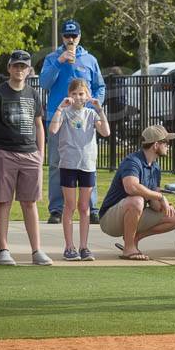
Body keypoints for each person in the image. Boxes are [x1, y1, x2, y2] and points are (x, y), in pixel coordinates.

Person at [39, 20, 105, 225]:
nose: (70, 40)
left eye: (74, 36)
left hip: (83, 119)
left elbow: (99, 86)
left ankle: (91, 207)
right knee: (57, 163)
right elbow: (43, 83)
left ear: (79, 37)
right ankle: (57, 209)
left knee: (87, 160)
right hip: (58, 117)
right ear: (61, 37)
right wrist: (59, 61)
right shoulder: (52, 58)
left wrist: (94, 107)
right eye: (67, 36)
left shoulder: (90, 60)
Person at [0, 51, 52, 266]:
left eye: (23, 67)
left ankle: (36, 250)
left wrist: (40, 153)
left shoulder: (33, 94)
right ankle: (3, 249)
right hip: (4, 153)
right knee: (3, 202)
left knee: (30, 202)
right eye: (16, 66)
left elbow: (39, 125)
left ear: (29, 70)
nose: (19, 70)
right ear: (9, 68)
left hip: (30, 154)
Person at [48, 78, 110, 262]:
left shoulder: (91, 114)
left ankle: (84, 246)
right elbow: (53, 130)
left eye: (81, 93)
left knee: (85, 207)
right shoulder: (65, 112)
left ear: (87, 95)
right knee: (70, 206)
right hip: (68, 164)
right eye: (74, 93)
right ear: (69, 95)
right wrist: (60, 107)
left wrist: (99, 109)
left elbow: (105, 132)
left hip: (87, 165)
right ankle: (69, 246)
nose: (77, 97)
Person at [98, 124, 175, 260]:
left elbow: (153, 203)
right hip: (110, 220)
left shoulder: (155, 167)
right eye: (166, 142)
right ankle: (128, 249)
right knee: (136, 200)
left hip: (135, 212)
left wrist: (163, 204)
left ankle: (134, 239)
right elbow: (131, 188)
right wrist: (160, 196)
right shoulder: (133, 161)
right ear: (155, 145)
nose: (168, 146)